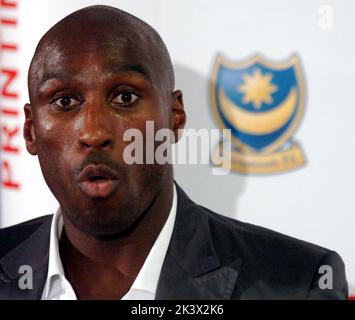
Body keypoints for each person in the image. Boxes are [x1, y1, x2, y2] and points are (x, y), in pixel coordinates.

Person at [0, 5, 348, 300]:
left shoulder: (298, 283)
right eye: (65, 101)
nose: (93, 132)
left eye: (125, 97)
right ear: (30, 131)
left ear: (175, 117)